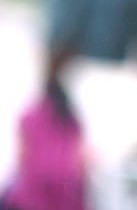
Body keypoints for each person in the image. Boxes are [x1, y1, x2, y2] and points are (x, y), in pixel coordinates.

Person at [0, 66, 88, 210]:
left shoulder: (29, 116)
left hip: (32, 196)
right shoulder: (72, 121)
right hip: (64, 197)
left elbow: (22, 156)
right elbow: (79, 162)